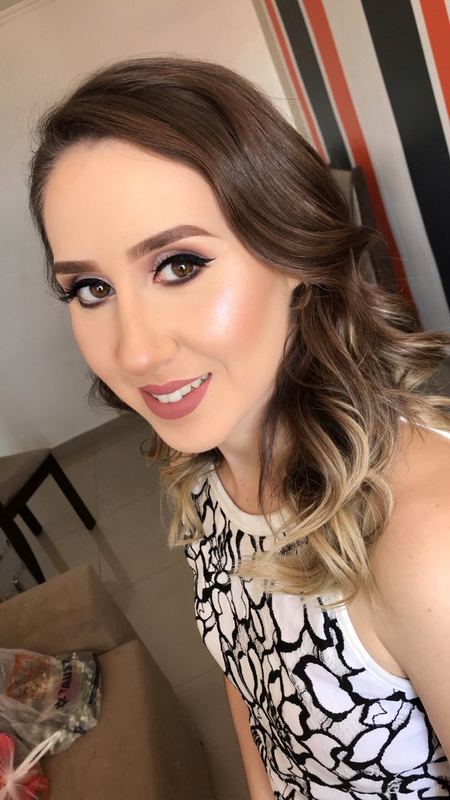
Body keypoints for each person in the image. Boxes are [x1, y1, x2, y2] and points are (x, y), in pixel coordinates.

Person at [27, 56, 450, 798]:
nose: (135, 351)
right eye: (90, 288)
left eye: (179, 264)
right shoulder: (206, 471)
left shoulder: (425, 539)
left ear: (292, 251)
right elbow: (246, 675)